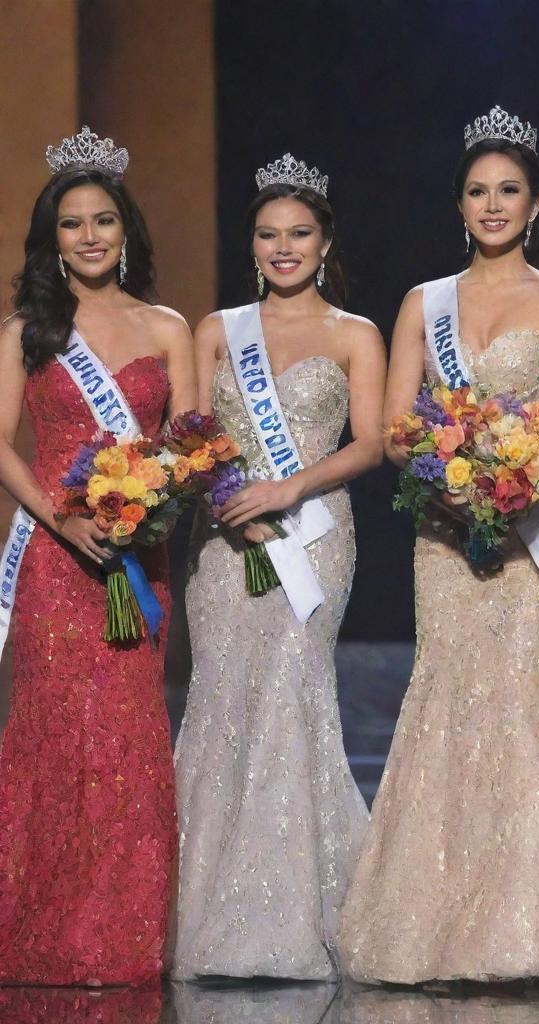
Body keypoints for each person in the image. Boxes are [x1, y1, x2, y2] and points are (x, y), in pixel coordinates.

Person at [339, 106, 539, 986]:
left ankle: (535, 929)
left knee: (524, 703)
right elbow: (396, 429)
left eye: (510, 190)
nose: (493, 204)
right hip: (443, 538)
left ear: (537, 201)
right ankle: (440, 928)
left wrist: (523, 482)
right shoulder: (422, 303)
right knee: (449, 705)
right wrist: (453, 476)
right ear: (459, 204)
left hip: (527, 544)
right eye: (478, 191)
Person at [172, 154, 385, 979]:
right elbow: (190, 433)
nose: (284, 248)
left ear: (325, 241)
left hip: (316, 533)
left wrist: (287, 487)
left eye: (299, 233)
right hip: (225, 539)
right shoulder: (216, 329)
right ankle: (207, 910)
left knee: (294, 693)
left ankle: (297, 913)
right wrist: (232, 497)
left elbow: (369, 443)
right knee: (224, 699)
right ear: (252, 245)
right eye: (269, 235)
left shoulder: (354, 334)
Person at [0, 126, 195, 985]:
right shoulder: (26, 330)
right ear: (51, 239)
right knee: (52, 736)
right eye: (72, 224)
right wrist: (60, 517)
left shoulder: (166, 325)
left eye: (103, 220)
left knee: (126, 740)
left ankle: (121, 936)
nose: (88, 237)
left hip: (138, 559)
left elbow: (190, 443)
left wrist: (154, 501)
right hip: (54, 559)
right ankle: (36, 929)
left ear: (126, 230)